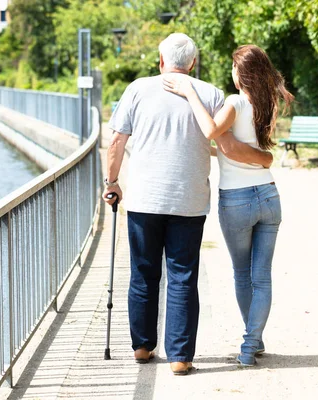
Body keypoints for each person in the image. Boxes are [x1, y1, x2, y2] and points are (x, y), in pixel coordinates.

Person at [102, 34, 273, 375]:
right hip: (190, 200)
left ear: (160, 60)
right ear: (193, 63)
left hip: (145, 199)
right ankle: (180, 357)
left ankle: (142, 347)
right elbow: (225, 144)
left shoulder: (137, 88)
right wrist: (265, 158)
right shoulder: (209, 93)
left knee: (143, 274)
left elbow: (117, 140)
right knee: (182, 277)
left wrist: (112, 183)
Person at [163, 44, 294, 366]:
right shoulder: (266, 102)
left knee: (241, 273)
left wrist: (189, 91)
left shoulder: (235, 101)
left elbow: (210, 130)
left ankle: (250, 347)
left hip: (237, 199)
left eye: (234, 67)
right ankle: (254, 343)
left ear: (241, 73)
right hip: (268, 195)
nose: (231, 73)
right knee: (261, 276)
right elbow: (233, 148)